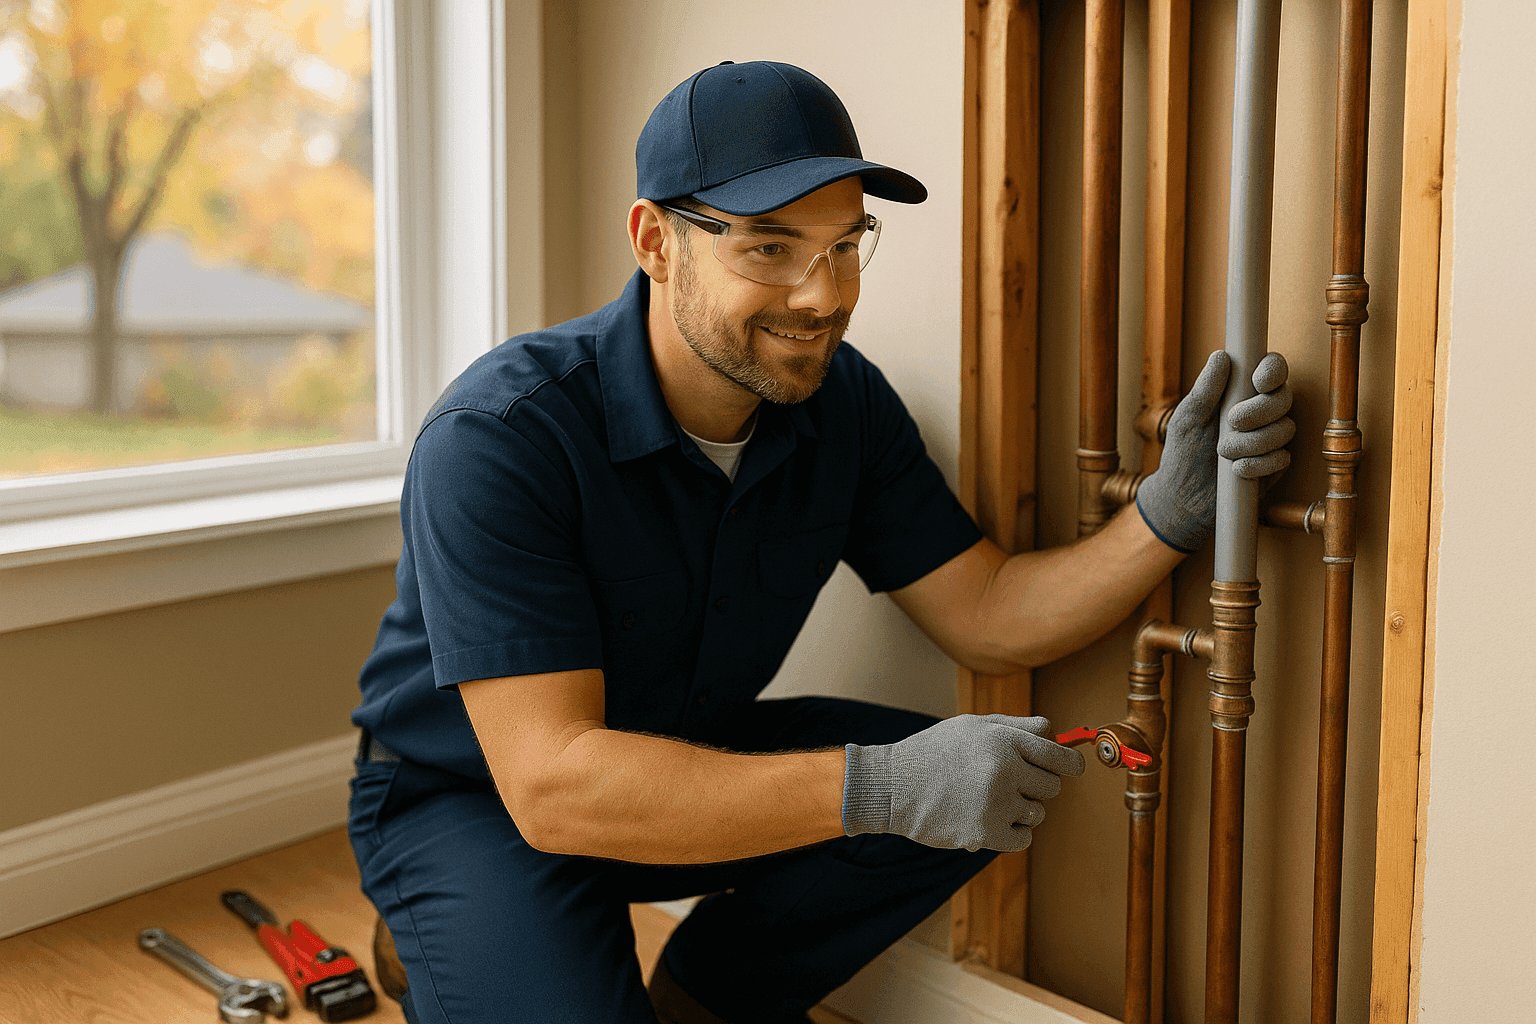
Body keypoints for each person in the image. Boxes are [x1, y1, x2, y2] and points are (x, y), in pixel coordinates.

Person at [347, 61, 1293, 1024]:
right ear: (655, 241)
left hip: (679, 750)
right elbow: (551, 787)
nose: (819, 295)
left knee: (963, 784)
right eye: (768, 248)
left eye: (845, 246)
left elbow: (987, 615)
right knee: (891, 784)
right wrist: (880, 787)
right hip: (474, 799)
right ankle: (445, 922)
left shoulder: (846, 406)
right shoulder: (502, 436)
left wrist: (1168, 517)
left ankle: (702, 999)